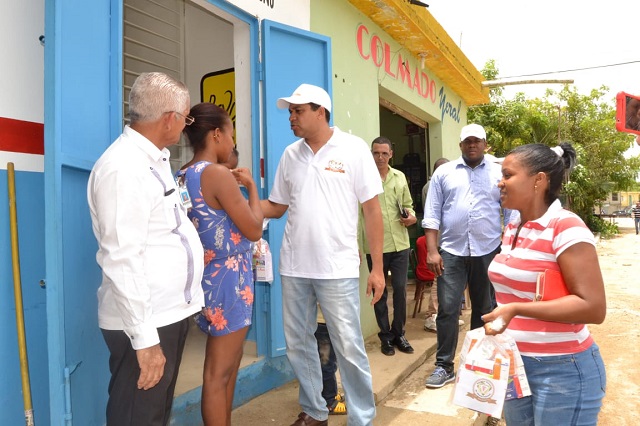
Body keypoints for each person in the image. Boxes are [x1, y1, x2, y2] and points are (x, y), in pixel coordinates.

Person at [260, 83, 385, 426]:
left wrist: (377, 268)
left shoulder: (354, 149)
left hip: (337, 268)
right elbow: (277, 205)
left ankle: (361, 417)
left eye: (298, 111)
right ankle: (315, 410)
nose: (292, 117)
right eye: (290, 111)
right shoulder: (290, 155)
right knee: (299, 343)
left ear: (321, 112)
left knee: (349, 346)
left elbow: (372, 211)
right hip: (295, 265)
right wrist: (239, 203)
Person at [87, 72, 205, 426]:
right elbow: (122, 259)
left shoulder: (154, 160)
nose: (186, 126)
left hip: (167, 314)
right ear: (170, 118)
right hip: (145, 322)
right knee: (137, 416)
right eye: (186, 118)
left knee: (154, 414)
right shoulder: (123, 168)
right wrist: (145, 341)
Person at [482, 142, 607, 425]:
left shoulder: (566, 227)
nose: (500, 183)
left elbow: (593, 307)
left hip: (562, 370)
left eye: (508, 175)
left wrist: (515, 309)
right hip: (515, 363)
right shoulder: (514, 225)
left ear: (539, 180)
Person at [178, 102, 264, 426]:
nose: (231, 143)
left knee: (226, 370)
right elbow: (253, 228)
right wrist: (251, 187)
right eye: (230, 134)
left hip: (207, 279)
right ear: (216, 134)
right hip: (229, 283)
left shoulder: (183, 174)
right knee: (217, 375)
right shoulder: (216, 174)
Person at [422, 123, 514, 389]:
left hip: (488, 250)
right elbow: (432, 214)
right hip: (451, 252)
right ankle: (444, 366)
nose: (472, 145)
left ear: (485, 144)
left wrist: (506, 249)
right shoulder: (444, 173)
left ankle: (477, 363)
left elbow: (510, 213)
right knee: (448, 309)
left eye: (477, 141)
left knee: (484, 310)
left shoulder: (499, 173)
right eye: (467, 141)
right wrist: (432, 250)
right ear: (460, 145)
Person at [360, 136, 416, 356]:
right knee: (379, 293)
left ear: (391, 154)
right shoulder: (363, 179)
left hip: (400, 243)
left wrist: (411, 218)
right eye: (376, 153)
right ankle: (385, 337)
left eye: (384, 153)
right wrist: (356, 244)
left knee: (401, 290)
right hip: (375, 247)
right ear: (371, 154)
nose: (380, 157)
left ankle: (399, 333)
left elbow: (409, 206)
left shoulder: (400, 177)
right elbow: (357, 215)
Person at [420, 157, 449, 333]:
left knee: (443, 277)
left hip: (443, 237)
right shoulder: (432, 186)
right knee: (439, 276)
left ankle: (441, 313)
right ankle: (432, 315)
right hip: (438, 238)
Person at [315, 308, 347, 416]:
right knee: (326, 363)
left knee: (328, 361)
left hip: (325, 320)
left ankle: (330, 393)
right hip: (323, 321)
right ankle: (329, 400)